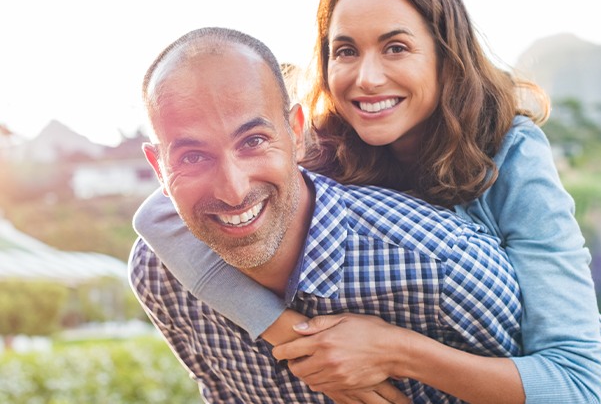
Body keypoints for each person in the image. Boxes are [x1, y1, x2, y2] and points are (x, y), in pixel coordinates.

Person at [133, 0, 601, 404]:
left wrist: (396, 352)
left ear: (444, 55)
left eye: (395, 47)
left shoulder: (511, 153)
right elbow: (157, 215)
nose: (366, 77)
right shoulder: (320, 138)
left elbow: (575, 386)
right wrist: (286, 334)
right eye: (345, 51)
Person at [131, 26, 529, 404]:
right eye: (193, 156)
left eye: (253, 141)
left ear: (296, 132)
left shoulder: (441, 266)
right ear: (158, 168)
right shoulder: (159, 275)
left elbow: (579, 385)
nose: (233, 190)